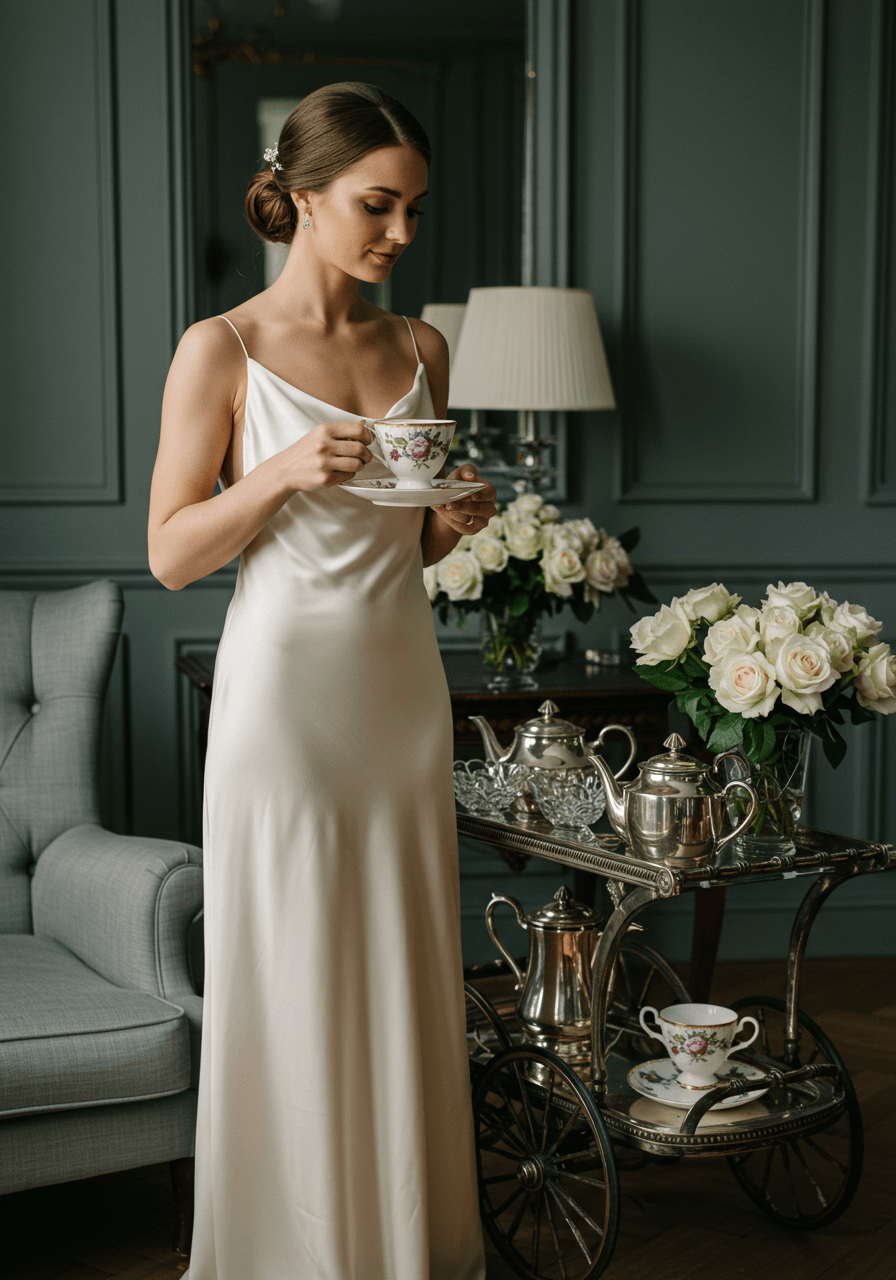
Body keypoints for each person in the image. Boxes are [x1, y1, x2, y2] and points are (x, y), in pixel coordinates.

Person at [148, 82, 495, 1280]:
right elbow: (172, 552)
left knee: (399, 963)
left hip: (400, 694)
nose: (401, 233)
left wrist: (455, 518)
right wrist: (279, 471)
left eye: (411, 209)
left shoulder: (421, 346)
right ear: (300, 198)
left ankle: (405, 1245)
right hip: (282, 707)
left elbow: (409, 544)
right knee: (292, 965)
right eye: (376, 205)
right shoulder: (222, 348)